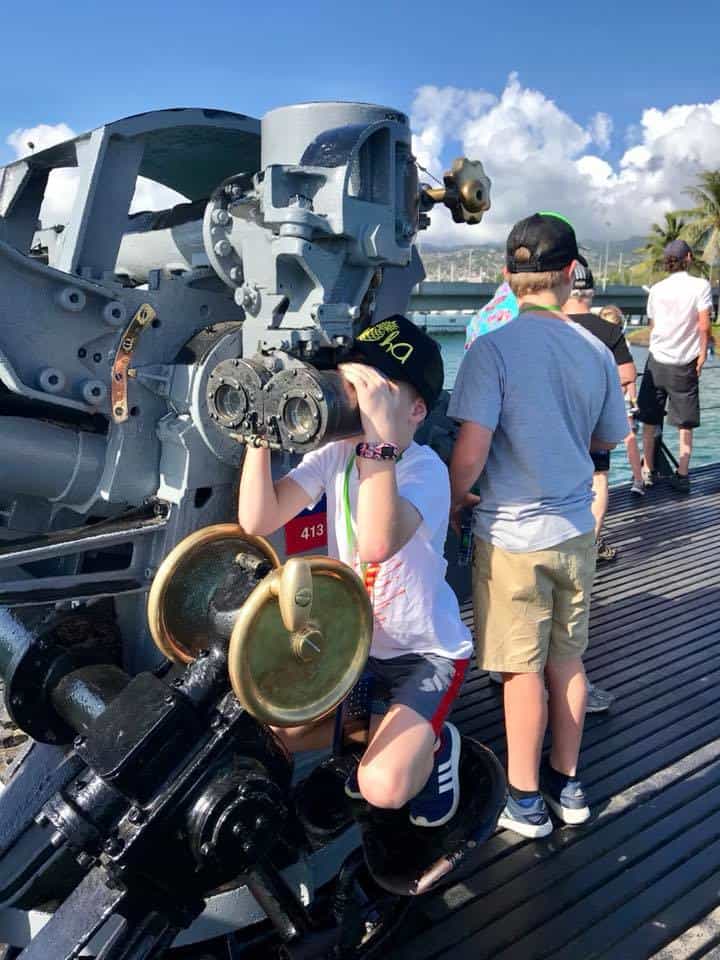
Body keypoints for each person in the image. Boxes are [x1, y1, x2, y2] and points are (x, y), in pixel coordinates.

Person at [238, 315, 473, 829]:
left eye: (375, 390)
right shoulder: (336, 455)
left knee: (382, 787)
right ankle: (383, 727)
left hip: (424, 654)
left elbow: (376, 543)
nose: (357, 402)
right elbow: (259, 519)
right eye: (350, 386)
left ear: (415, 410)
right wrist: (258, 433)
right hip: (358, 646)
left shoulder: (425, 470)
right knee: (278, 729)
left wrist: (379, 447)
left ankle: (438, 744)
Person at [449, 212, 628, 838]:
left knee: (521, 672)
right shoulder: (595, 350)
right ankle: (566, 783)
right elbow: (609, 438)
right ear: (571, 272)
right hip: (574, 531)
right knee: (568, 661)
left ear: (507, 275)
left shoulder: (490, 351)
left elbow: (470, 452)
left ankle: (524, 800)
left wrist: (454, 499)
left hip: (512, 539)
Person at [564, 268, 641, 566]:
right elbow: (628, 374)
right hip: (595, 419)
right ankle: (591, 543)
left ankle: (564, 542)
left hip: (560, 419)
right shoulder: (608, 331)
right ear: (592, 293)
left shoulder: (552, 325)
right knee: (598, 478)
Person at [637, 239, 713, 494]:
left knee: (649, 419)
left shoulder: (657, 289)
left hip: (656, 360)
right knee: (685, 424)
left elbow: (653, 326)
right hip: (684, 363)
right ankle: (682, 474)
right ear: (688, 258)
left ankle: (647, 471)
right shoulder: (700, 286)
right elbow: (703, 325)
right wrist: (702, 355)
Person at [598, 304, 646, 498]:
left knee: (620, 438)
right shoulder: (620, 342)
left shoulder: (598, 343)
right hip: (616, 394)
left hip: (614, 394)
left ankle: (635, 479)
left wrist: (632, 398)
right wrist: (633, 398)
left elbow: (628, 376)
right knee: (627, 438)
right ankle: (637, 479)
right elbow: (630, 373)